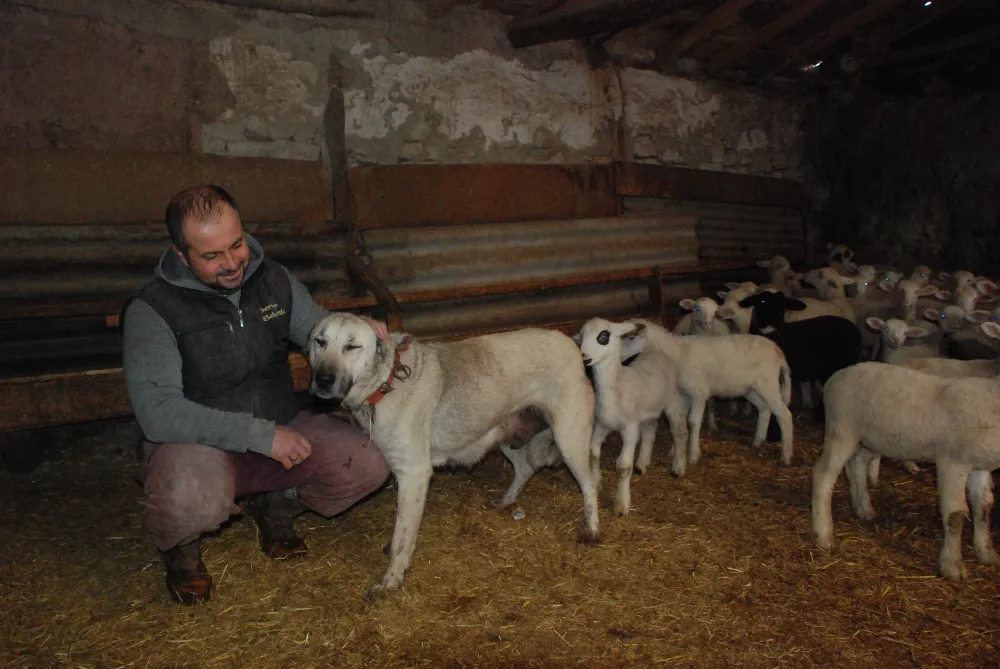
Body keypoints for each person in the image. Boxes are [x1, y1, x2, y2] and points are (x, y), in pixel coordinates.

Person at [121, 184, 391, 605]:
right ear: (180, 255)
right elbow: (158, 413)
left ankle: (277, 506)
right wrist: (260, 435)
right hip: (199, 443)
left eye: (237, 244)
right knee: (189, 495)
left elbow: (321, 329)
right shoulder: (153, 310)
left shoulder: (275, 281)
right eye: (212, 256)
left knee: (370, 461)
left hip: (281, 422)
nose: (232, 263)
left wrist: (358, 326)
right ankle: (182, 553)